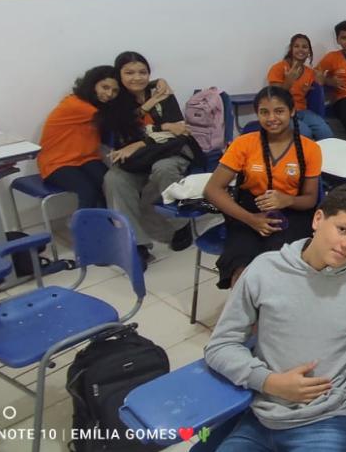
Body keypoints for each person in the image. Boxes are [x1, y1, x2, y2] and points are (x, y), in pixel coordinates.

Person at [204, 183, 346, 452]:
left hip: (331, 418)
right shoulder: (264, 270)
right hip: (264, 414)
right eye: (342, 229)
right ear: (317, 220)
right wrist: (268, 381)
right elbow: (219, 346)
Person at [203, 86, 322, 289]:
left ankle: (275, 306)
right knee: (241, 267)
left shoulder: (310, 149)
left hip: (293, 212)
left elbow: (310, 199)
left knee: (277, 265)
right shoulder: (243, 143)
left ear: (292, 111)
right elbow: (212, 190)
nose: (271, 118)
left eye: (279, 111)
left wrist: (287, 199)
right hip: (248, 211)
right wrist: (251, 220)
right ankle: (242, 307)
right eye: (264, 112)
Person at [100, 51, 193, 262]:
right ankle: (137, 243)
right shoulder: (116, 100)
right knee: (113, 179)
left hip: (172, 151)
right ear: (119, 75)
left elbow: (178, 131)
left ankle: (181, 224)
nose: (137, 77)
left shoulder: (161, 92)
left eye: (143, 72)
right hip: (138, 159)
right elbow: (124, 133)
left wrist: (142, 141)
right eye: (129, 72)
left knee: (164, 168)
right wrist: (160, 128)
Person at [37, 65, 119, 211]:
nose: (109, 94)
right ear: (92, 84)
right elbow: (116, 120)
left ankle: (107, 221)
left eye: (115, 91)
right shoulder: (77, 105)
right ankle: (84, 225)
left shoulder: (96, 105)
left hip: (86, 159)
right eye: (105, 87)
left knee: (110, 183)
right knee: (88, 191)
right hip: (56, 162)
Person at [267, 33, 335, 140]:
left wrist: (320, 83)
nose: (301, 49)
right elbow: (275, 96)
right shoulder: (278, 68)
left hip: (303, 111)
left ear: (309, 52)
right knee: (305, 134)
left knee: (326, 133)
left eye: (304, 47)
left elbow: (317, 89)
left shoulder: (310, 72)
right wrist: (288, 82)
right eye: (296, 46)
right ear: (291, 49)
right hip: (282, 111)